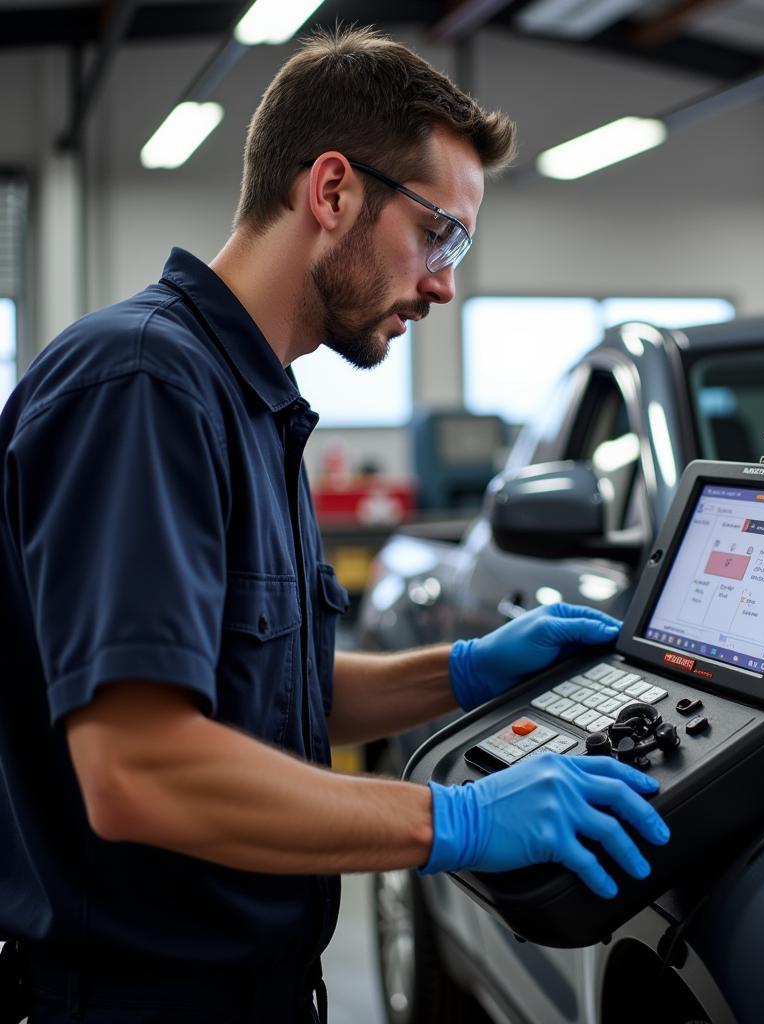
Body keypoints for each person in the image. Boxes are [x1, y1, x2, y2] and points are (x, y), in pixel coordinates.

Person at [0, 26, 670, 1024]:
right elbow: (137, 770)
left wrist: (463, 671)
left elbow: (264, 694)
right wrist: (457, 818)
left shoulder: (247, 401)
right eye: (440, 234)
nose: (445, 283)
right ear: (332, 192)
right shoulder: (142, 386)